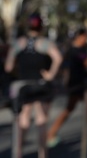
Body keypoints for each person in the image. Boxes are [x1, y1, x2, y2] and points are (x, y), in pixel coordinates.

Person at [4, 12, 63, 158]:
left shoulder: (19, 43)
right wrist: (50, 74)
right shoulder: (45, 43)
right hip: (41, 85)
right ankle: (42, 154)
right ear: (41, 27)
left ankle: (18, 153)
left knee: (23, 119)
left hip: (24, 86)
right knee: (41, 119)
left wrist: (17, 68)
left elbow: (8, 67)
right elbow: (58, 58)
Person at [47, 28, 87, 147]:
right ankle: (51, 133)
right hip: (76, 84)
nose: (86, 39)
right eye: (85, 37)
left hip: (83, 82)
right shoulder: (73, 50)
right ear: (80, 36)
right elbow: (86, 63)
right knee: (69, 109)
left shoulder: (82, 49)